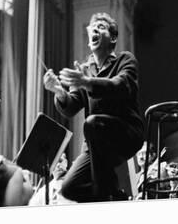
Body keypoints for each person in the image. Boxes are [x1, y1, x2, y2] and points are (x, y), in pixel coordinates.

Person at [43, 12, 144, 202]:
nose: (95, 29)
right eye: (92, 27)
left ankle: (107, 193)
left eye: (101, 27)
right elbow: (71, 107)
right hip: (95, 142)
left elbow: (120, 86)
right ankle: (114, 196)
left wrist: (87, 82)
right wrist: (59, 91)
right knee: (69, 188)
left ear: (113, 38)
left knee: (92, 123)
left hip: (126, 133)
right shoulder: (85, 70)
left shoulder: (125, 60)